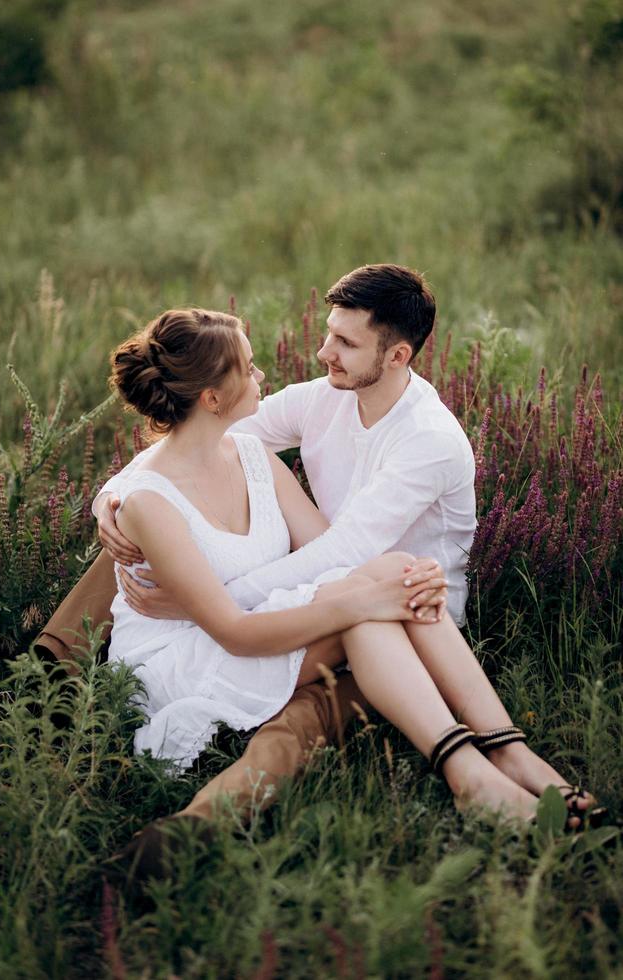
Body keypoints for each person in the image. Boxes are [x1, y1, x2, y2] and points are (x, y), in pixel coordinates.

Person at [37, 266, 594, 848]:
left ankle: (490, 765)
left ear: (398, 355)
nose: (323, 352)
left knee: (312, 700)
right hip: (336, 594)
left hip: (418, 621)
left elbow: (345, 549)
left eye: (346, 343)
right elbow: (191, 435)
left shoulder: (426, 438)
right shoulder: (322, 398)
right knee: (137, 542)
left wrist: (212, 602)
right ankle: (53, 662)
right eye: (328, 333)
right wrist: (112, 501)